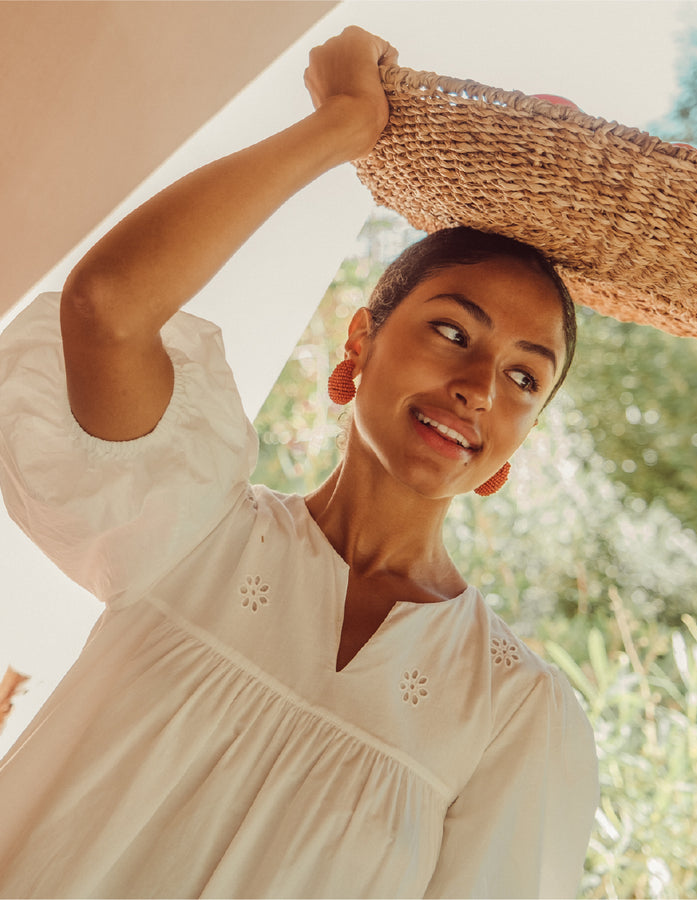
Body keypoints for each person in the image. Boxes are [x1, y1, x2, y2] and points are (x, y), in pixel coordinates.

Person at [0, 26, 598, 899]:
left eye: (521, 377)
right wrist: (344, 126)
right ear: (360, 342)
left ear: (516, 445)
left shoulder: (510, 719)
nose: (477, 386)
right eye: (450, 329)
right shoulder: (193, 526)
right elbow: (106, 309)